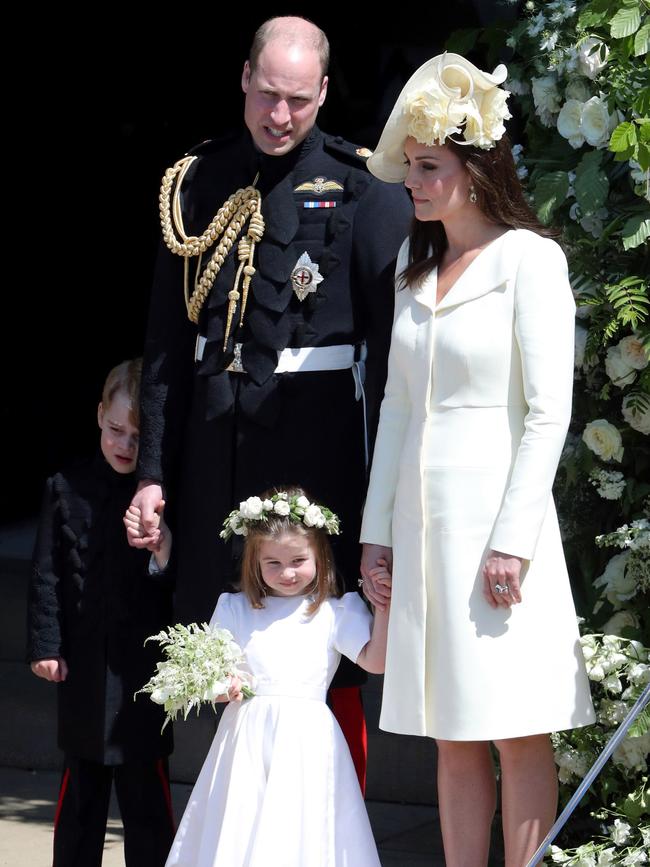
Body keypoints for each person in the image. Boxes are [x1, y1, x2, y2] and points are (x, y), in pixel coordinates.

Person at [128, 15, 411, 784]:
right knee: (216, 648)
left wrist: (386, 494)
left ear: (322, 92)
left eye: (298, 99)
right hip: (218, 449)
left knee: (323, 654)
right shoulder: (195, 181)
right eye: (267, 95)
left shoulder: (363, 187)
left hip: (316, 452)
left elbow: (390, 357)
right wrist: (154, 470)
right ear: (245, 79)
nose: (280, 116)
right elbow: (164, 343)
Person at [359, 53, 596, 867]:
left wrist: (513, 539)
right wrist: (375, 532)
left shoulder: (531, 259)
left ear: (476, 168)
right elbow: (395, 405)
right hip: (424, 535)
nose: (413, 184)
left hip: (500, 533)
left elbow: (548, 411)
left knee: (515, 725)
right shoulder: (410, 264)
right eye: (411, 170)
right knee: (449, 729)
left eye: (429, 168)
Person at [163, 486, 391, 867]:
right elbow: (213, 675)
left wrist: (382, 608)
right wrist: (222, 686)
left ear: (320, 556)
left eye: (299, 560)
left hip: (307, 740)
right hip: (247, 739)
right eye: (273, 563)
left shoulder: (335, 611)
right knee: (242, 823)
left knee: (301, 825)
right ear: (254, 562)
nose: (287, 573)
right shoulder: (235, 608)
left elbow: (375, 661)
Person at [27, 358, 176, 867]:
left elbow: (177, 581)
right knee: (81, 793)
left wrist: (163, 551)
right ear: (97, 417)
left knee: (146, 797)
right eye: (116, 429)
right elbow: (46, 573)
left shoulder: (162, 500)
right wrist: (47, 644)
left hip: (144, 670)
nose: (124, 445)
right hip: (86, 667)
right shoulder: (64, 487)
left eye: (138, 436)